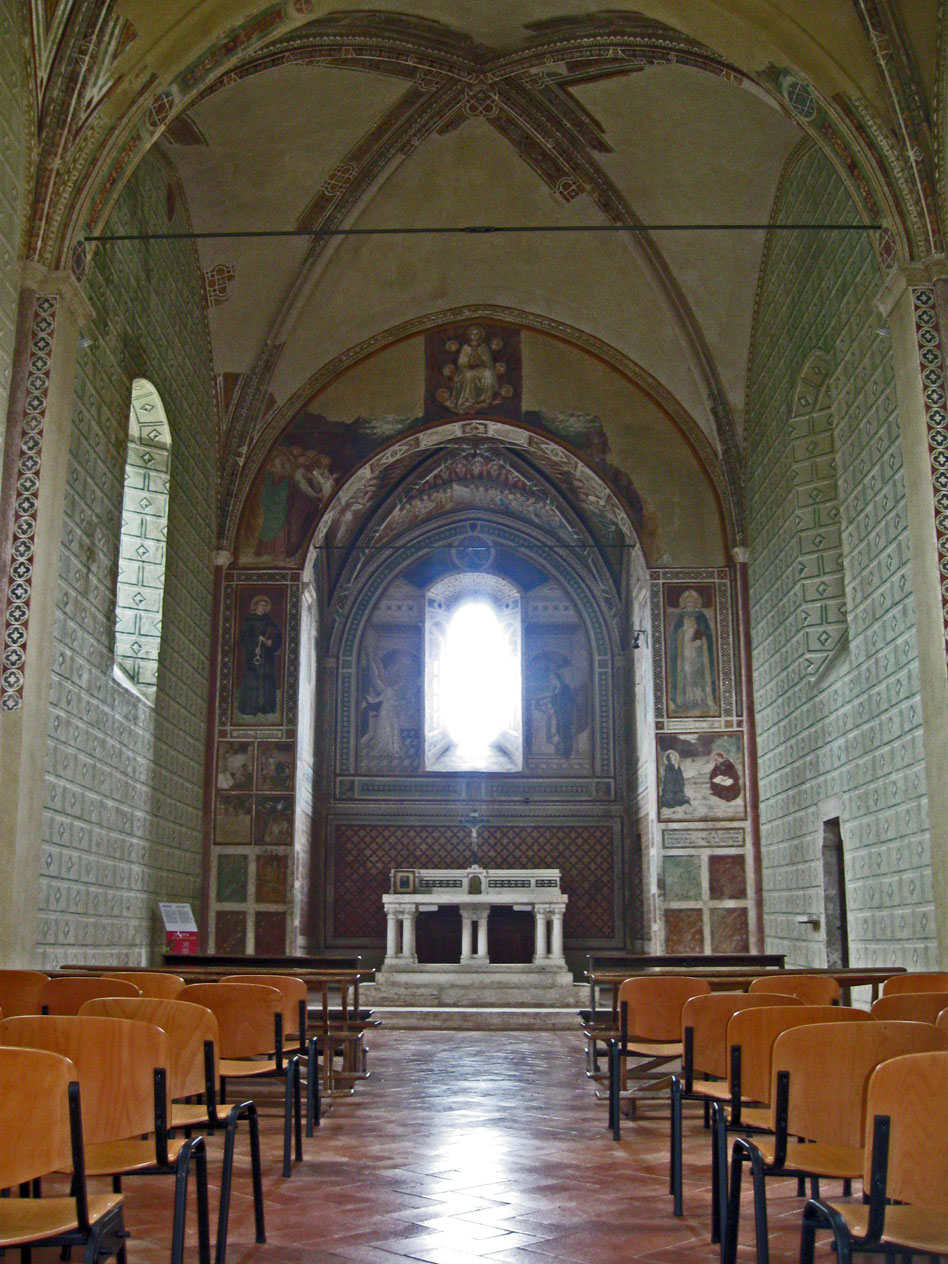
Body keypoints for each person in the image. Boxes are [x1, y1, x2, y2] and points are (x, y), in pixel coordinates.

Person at [668, 588, 716, 713]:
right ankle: (685, 701)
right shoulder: (681, 616)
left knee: (698, 674)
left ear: (696, 603)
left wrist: (699, 637)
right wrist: (683, 632)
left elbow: (707, 631)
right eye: (688, 602)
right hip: (685, 651)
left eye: (692, 601)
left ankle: (700, 700)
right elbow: (674, 634)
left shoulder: (701, 616)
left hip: (699, 651)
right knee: (686, 674)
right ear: (684, 603)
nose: (690, 604)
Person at [237, 595, 282, 717]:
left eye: (266, 606)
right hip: (253, 658)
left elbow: (277, 635)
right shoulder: (248, 621)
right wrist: (253, 649)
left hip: (266, 657)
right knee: (251, 680)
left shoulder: (268, 621)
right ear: (256, 605)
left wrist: (269, 642)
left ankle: (265, 707)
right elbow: (244, 637)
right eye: (262, 605)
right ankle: (250, 707)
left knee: (266, 681)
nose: (264, 608)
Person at [449, 326, 498, 414]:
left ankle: (484, 400)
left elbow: (489, 363)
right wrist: (470, 361)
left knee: (487, 373)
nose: (474, 336)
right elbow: (461, 363)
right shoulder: (465, 348)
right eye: (472, 334)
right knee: (469, 375)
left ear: (480, 335)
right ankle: (467, 402)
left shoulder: (484, 348)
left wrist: (480, 359)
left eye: (476, 334)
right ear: (469, 335)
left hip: (480, 370)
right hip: (466, 370)